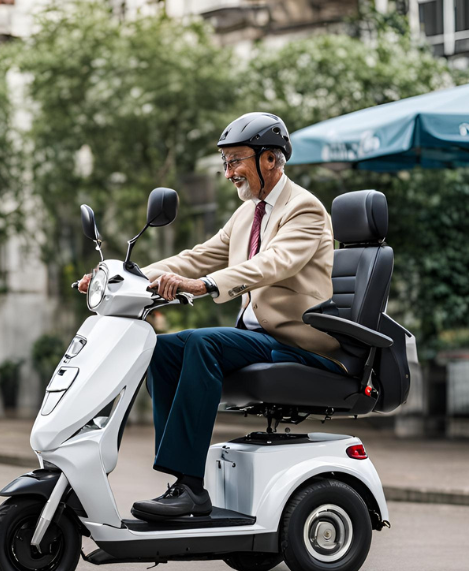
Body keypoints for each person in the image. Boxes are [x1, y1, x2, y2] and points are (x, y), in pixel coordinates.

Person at [77, 112, 344, 520]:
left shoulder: (304, 210)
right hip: (259, 339)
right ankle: (184, 482)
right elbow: (197, 256)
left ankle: (188, 486)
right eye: (225, 163)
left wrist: (206, 285)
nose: (228, 173)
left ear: (270, 160)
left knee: (204, 343)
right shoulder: (247, 213)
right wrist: (117, 278)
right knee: (161, 349)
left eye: (236, 161)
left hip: (298, 343)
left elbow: (272, 263)